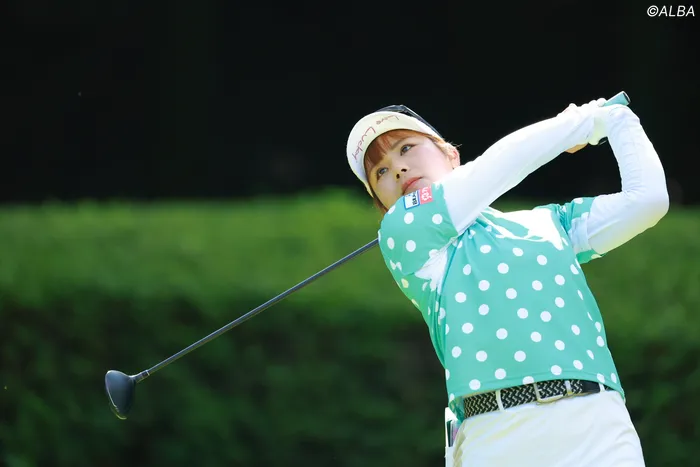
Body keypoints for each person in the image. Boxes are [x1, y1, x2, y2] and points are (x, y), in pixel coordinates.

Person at [345, 97, 669, 466]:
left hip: (598, 424)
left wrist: (618, 119)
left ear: (451, 155)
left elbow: (647, 201)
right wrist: (583, 122)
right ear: (383, 204)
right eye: (380, 172)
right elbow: (501, 164)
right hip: (498, 436)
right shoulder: (402, 231)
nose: (398, 169)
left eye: (406, 148)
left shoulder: (549, 223)